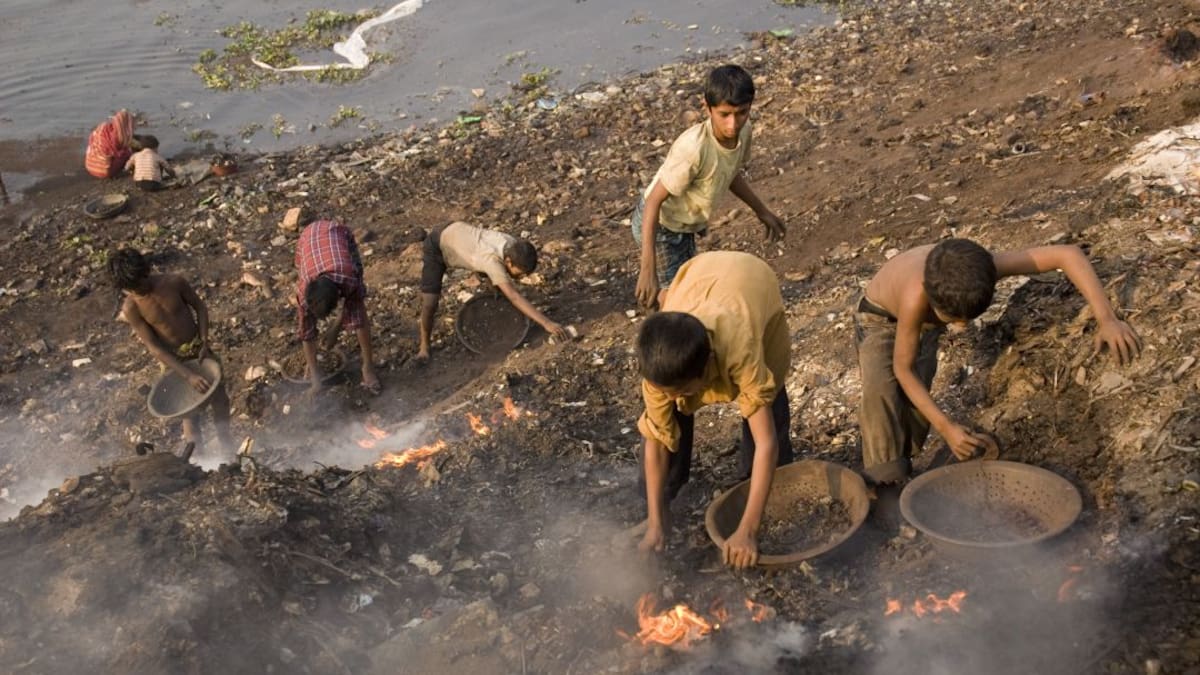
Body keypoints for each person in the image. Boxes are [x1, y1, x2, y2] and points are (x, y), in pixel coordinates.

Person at [855, 238, 1142, 485]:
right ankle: (884, 479)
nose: (961, 327)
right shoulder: (915, 296)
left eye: (966, 320)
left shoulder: (983, 268)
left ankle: (904, 462)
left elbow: (1068, 254)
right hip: (880, 319)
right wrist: (946, 429)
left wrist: (1107, 318)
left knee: (914, 400)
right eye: (952, 320)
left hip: (924, 323)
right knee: (883, 393)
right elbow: (901, 368)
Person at [635, 251, 794, 569]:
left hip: (751, 278)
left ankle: (761, 504)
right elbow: (656, 441)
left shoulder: (741, 348)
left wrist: (747, 531)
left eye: (681, 391)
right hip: (699, 276)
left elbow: (766, 443)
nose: (671, 396)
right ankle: (661, 510)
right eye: (665, 391)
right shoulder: (658, 369)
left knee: (767, 408)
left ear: (708, 367)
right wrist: (654, 519)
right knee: (667, 422)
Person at [632, 64, 787, 310]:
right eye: (724, 114)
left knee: (680, 285)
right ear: (707, 107)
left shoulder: (743, 133)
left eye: (741, 113)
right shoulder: (693, 149)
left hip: (685, 226)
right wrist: (646, 268)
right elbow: (653, 201)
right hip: (661, 224)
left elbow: (730, 173)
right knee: (673, 298)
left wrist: (761, 210)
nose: (732, 125)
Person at [108, 248, 234, 454]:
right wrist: (187, 375)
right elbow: (154, 347)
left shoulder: (173, 283)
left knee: (219, 398)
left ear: (145, 271)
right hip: (174, 361)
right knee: (190, 414)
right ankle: (199, 461)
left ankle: (228, 450)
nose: (138, 290)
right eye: (131, 288)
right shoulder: (132, 308)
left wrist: (204, 340)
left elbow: (200, 308)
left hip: (199, 350)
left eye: (139, 283)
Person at [417, 221, 567, 362]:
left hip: (462, 236)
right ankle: (424, 346)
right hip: (438, 245)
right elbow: (514, 296)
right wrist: (546, 323)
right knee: (430, 304)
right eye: (520, 273)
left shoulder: (511, 244)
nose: (522, 277)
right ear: (508, 262)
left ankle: (494, 289)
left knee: (497, 282)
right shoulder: (492, 261)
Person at [295, 219, 381, 395]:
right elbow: (307, 333)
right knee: (307, 327)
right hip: (307, 239)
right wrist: (315, 380)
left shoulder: (348, 278)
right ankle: (312, 369)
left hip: (337, 233)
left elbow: (356, 312)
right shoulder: (303, 293)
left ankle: (368, 368)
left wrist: (337, 325)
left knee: (357, 313)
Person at [85, 110, 135, 179]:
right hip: (103, 171)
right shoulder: (119, 137)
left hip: (89, 165)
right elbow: (118, 153)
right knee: (127, 154)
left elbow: (91, 140)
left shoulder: (103, 127)